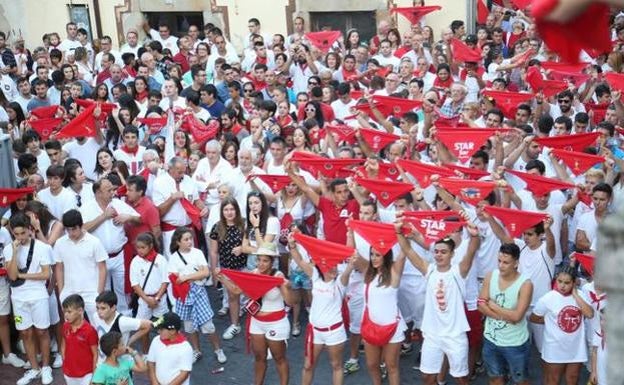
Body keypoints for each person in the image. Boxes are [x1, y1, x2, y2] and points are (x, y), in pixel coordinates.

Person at [395, 214, 481, 385]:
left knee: (461, 378)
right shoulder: (429, 270)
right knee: (427, 377)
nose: (439, 255)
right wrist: (398, 233)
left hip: (455, 335)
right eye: (436, 252)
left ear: (452, 254)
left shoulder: (459, 272)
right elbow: (409, 251)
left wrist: (474, 236)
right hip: (432, 335)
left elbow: (471, 251)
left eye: (444, 252)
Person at [216, 242, 291, 385]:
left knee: (279, 358)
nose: (261, 264)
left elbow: (290, 301)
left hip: (276, 323)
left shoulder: (278, 276)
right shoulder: (253, 274)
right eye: (259, 260)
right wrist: (223, 278)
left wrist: (285, 287)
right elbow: (237, 290)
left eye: (265, 260)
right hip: (257, 322)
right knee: (259, 357)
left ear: (272, 262)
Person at [288, 232, 356, 385]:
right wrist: (292, 245)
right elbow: (298, 260)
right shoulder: (315, 277)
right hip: (315, 331)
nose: (334, 269)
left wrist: (351, 260)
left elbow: (349, 267)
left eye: (335, 266)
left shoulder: (340, 282)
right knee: (307, 366)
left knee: (336, 366)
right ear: (322, 266)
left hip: (334, 332)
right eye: (330, 266)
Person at [4, 214, 53, 385]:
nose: (20, 237)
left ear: (30, 229)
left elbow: (46, 274)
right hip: (18, 298)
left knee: (42, 332)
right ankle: (34, 368)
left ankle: (46, 367)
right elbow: (11, 275)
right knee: (25, 333)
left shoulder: (42, 247)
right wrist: (15, 251)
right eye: (16, 234)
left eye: (23, 233)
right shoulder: (9, 249)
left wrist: (23, 275)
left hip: (38, 295)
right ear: (12, 232)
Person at [168, 227, 227, 365]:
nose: (190, 242)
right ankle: (196, 350)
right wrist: (195, 275)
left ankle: (218, 350)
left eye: (190, 238)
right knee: (189, 327)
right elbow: (176, 279)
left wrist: (186, 277)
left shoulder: (198, 253)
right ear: (178, 242)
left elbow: (205, 273)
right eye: (186, 239)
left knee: (208, 325)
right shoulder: (173, 258)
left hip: (198, 293)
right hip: (185, 295)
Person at [478, 243, 533, 385]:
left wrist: (494, 306)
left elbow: (517, 317)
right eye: (499, 261)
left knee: (520, 381)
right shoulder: (491, 276)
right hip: (491, 339)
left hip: (515, 343)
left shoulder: (525, 284)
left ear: (516, 263)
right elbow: (480, 305)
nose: (501, 265)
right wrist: (502, 315)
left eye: (506, 262)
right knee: (495, 378)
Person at [530, 266, 594, 385]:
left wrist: (575, 295)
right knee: (553, 380)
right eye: (559, 281)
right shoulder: (548, 298)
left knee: (573, 379)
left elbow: (590, 314)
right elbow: (534, 317)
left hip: (576, 348)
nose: (562, 286)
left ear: (574, 283)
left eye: (567, 282)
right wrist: (551, 321)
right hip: (554, 347)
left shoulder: (580, 295)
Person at [54, 210, 107, 317]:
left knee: (96, 327)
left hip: (91, 293)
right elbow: (59, 268)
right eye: (68, 230)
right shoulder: (60, 243)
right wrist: (61, 293)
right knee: (71, 328)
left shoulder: (94, 242)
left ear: (81, 226)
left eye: (74, 229)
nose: (71, 233)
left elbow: (102, 268)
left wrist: (99, 294)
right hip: (69, 292)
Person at [208, 197, 246, 339]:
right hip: (227, 268)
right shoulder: (217, 227)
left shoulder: (244, 224)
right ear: (222, 211)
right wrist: (214, 270)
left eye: (232, 209)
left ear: (236, 210)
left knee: (251, 296)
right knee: (232, 296)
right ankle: (235, 324)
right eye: (226, 209)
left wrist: (242, 248)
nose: (229, 212)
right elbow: (213, 251)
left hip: (244, 268)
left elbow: (252, 244)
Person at [91, 290, 152, 361]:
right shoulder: (95, 316)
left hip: (121, 364)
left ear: (113, 308)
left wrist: (130, 340)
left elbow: (149, 325)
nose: (99, 312)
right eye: (97, 308)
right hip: (103, 362)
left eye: (103, 308)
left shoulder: (122, 321)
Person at [129, 232, 169, 322]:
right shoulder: (135, 261)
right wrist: (147, 300)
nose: (140, 250)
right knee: (143, 327)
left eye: (143, 247)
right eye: (138, 248)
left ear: (151, 246)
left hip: (160, 299)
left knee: (162, 324)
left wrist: (157, 298)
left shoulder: (160, 259)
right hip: (144, 299)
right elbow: (135, 284)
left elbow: (165, 281)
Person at [61, 294, 99, 385]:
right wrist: (64, 360)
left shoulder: (90, 330)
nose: (66, 315)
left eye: (69, 312)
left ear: (80, 311)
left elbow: (95, 354)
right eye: (64, 312)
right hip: (69, 373)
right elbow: (63, 344)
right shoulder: (65, 326)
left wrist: (94, 376)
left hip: (86, 374)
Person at [147, 312, 193, 385]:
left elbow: (184, 373)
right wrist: (154, 382)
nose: (158, 331)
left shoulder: (185, 348)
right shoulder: (156, 340)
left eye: (161, 329)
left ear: (172, 331)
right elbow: (150, 362)